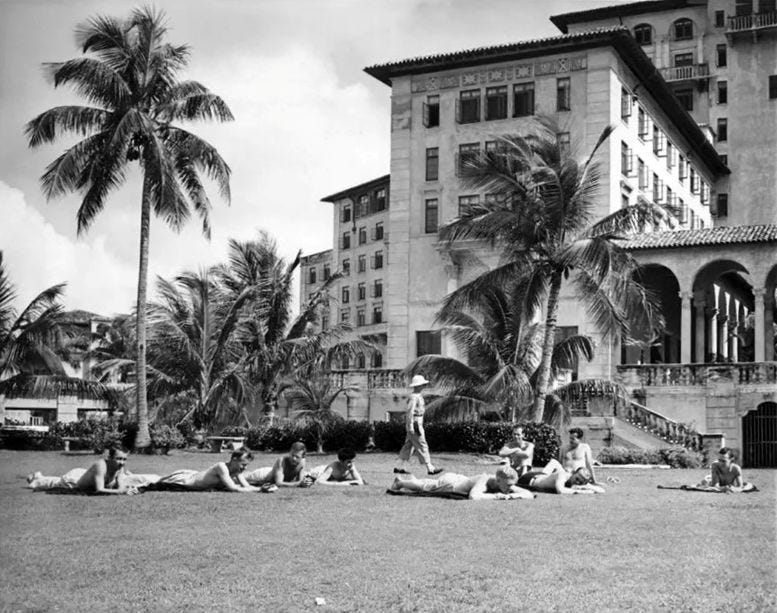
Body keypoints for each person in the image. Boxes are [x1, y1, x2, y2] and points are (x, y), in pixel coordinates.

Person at [26, 446, 151, 495]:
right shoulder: (101, 465)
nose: (122, 462)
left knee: (55, 481)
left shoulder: (119, 467)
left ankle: (38, 476)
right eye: (119, 459)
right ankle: (37, 479)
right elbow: (99, 489)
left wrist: (125, 489)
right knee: (55, 483)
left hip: (84, 475)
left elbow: (121, 485)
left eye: (124, 459)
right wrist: (121, 492)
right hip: (74, 480)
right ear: (109, 457)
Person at [389, 465, 534, 500]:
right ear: (498, 480)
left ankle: (409, 480)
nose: (510, 488)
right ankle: (400, 483)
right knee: (426, 487)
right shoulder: (484, 480)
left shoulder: (505, 483)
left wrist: (513, 495)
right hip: (451, 484)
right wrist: (498, 496)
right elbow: (474, 496)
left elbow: (529, 494)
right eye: (508, 485)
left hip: (459, 479)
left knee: (428, 482)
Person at [394, 374, 443, 476]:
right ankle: (430, 468)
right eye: (422, 384)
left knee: (408, 446)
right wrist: (411, 426)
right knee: (422, 444)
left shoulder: (417, 396)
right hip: (415, 423)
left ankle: (399, 467)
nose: (423, 386)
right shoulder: (414, 397)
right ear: (417, 386)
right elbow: (410, 412)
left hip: (417, 421)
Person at [152, 449, 259, 492]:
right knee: (153, 480)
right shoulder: (221, 467)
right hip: (184, 480)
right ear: (234, 459)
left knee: (154, 478)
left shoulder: (236, 471)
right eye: (243, 465)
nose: (245, 468)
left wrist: (263, 488)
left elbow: (246, 486)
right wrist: (258, 490)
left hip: (192, 476)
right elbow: (233, 488)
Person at [517, 458, 605, 494]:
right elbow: (560, 490)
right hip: (528, 480)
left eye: (581, 482)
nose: (577, 482)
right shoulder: (562, 475)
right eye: (577, 479)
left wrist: (587, 487)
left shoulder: (579, 482)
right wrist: (582, 491)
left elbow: (601, 491)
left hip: (542, 475)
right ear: (573, 473)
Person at [244, 441, 309, 488]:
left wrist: (304, 483)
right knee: (242, 477)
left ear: (302, 457)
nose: (293, 458)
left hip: (273, 471)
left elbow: (301, 481)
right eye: (292, 455)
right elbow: (278, 483)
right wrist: (298, 484)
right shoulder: (282, 461)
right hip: (263, 476)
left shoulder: (302, 462)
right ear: (289, 452)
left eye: (297, 457)